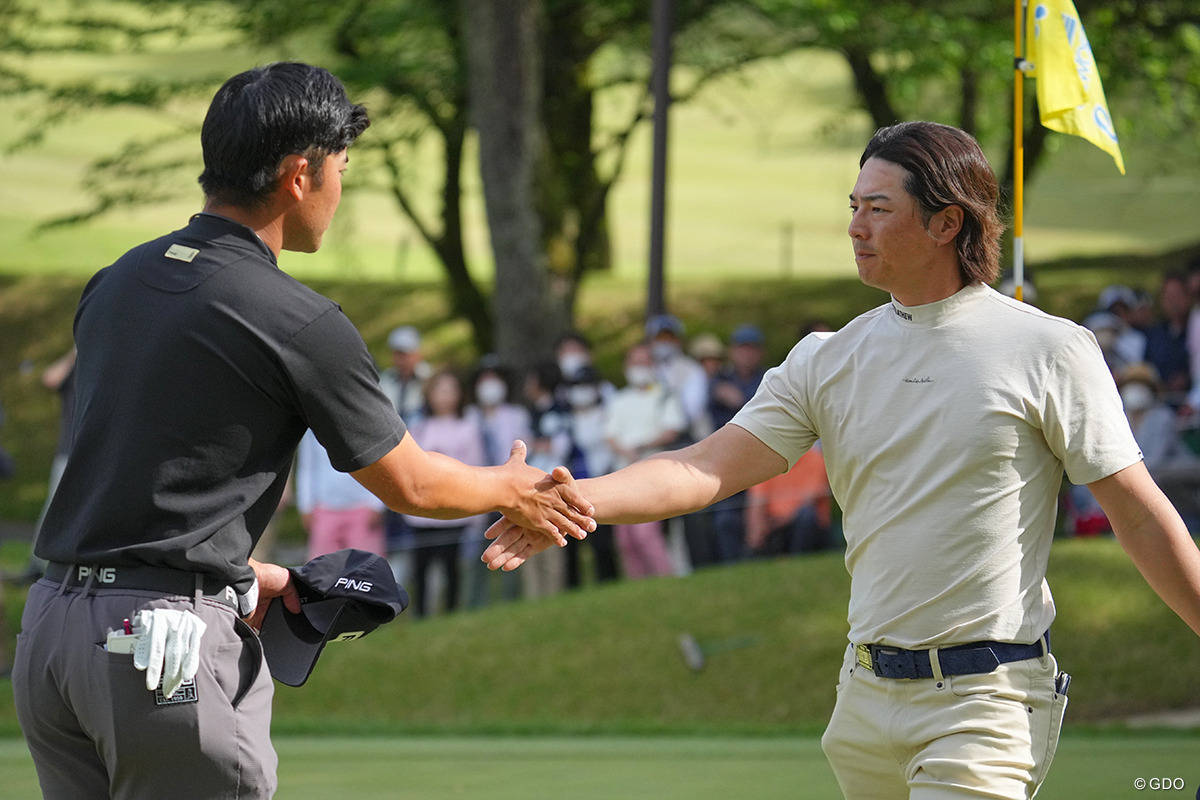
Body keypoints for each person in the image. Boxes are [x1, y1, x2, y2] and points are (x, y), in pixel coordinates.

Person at [484, 121, 1200, 800]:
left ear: (946, 222)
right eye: (853, 206)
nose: (855, 226)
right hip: (862, 704)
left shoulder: (1050, 350)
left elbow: (1137, 515)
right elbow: (704, 468)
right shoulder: (828, 356)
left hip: (986, 699)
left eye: (878, 208)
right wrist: (564, 500)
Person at [13, 62, 592, 800]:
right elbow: (413, 484)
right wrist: (509, 486)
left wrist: (238, 575)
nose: (341, 190)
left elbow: (147, 481)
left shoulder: (116, 281)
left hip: (52, 635)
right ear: (299, 175)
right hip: (159, 646)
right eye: (341, 169)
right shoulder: (298, 319)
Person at [403, 369, 486, 616]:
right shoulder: (418, 428)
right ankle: (420, 613)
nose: (445, 396)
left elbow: (475, 467)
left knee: (452, 566)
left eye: (451, 390)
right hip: (422, 510)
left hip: (453, 508)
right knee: (421, 567)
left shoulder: (467, 428)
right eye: (440, 390)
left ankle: (451, 611)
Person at [604, 342, 685, 579]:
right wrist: (626, 452)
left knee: (645, 534)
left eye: (644, 363)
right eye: (634, 363)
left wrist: (643, 445)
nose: (639, 368)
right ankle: (639, 584)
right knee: (626, 541)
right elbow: (610, 435)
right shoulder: (619, 400)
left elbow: (673, 429)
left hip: (653, 473)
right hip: (622, 474)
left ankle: (665, 577)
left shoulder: (664, 394)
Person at [295, 428, 385, 560]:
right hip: (324, 509)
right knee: (323, 571)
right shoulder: (311, 428)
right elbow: (306, 467)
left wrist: (377, 504)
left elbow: (381, 460)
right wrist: (306, 506)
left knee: (366, 570)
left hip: (363, 508)